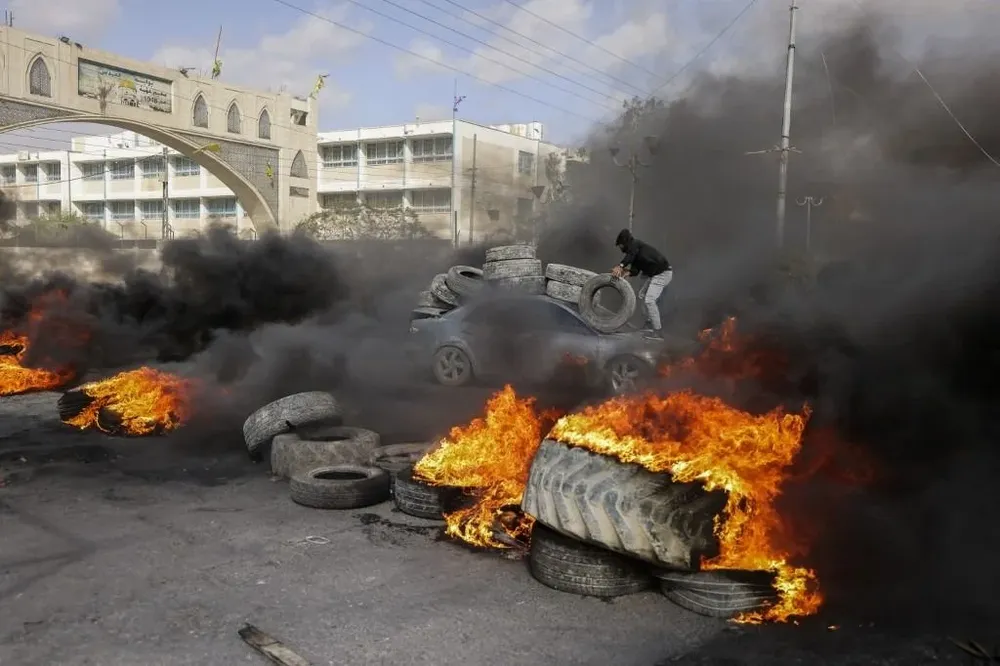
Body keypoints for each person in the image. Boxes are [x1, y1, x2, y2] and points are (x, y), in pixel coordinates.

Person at [611, 228, 672, 339]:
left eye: (620, 245)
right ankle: (649, 323)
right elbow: (636, 269)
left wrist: (620, 266)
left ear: (625, 242)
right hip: (655, 275)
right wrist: (627, 273)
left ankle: (658, 331)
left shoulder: (635, 244)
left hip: (662, 274)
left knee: (649, 300)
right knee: (642, 295)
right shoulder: (636, 252)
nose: (620, 248)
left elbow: (630, 256)